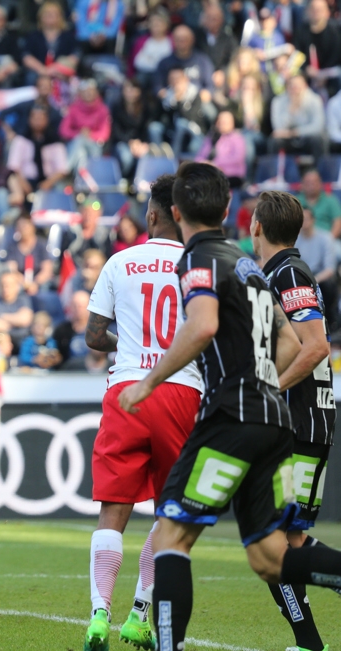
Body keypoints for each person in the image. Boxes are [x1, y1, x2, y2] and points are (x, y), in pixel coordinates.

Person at [117, 163, 341, 651]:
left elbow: (201, 326)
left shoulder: (200, 260)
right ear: (227, 212)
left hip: (234, 416)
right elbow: (287, 341)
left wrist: (148, 383)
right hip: (275, 421)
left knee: (170, 537)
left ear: (175, 212)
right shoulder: (247, 267)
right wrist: (262, 383)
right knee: (269, 557)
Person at [81, 173, 202, 651]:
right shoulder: (200, 265)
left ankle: (97, 617)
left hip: (127, 389)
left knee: (114, 511)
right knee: (170, 512)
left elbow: (93, 335)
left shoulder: (120, 261)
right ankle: (138, 615)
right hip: (180, 392)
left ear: (151, 215)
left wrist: (127, 346)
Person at [253, 191, 337, 651]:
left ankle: (310, 641)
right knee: (287, 539)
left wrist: (271, 389)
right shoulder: (278, 273)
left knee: (273, 542)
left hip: (300, 421)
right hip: (298, 421)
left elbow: (316, 345)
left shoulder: (287, 273)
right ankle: (308, 643)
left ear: (256, 228)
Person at [22, 1, 79, 84]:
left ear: (60, 16)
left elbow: (75, 56)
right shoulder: (34, 36)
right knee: (31, 77)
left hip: (61, 71)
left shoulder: (68, 35)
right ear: (40, 16)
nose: (49, 16)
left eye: (53, 13)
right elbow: (26, 57)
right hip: (39, 72)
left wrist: (56, 68)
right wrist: (43, 70)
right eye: (47, 13)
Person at [270, 75, 327, 159]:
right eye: (292, 86)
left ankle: (318, 170)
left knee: (318, 139)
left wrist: (295, 132)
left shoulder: (315, 100)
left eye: (297, 86)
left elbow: (318, 126)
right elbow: (278, 129)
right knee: (275, 141)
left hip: (306, 137)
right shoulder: (278, 101)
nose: (295, 90)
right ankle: (275, 170)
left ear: (305, 86)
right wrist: (291, 110)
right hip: (287, 140)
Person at [60, 78, 111, 171]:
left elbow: (104, 133)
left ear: (96, 93)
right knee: (80, 153)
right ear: (80, 93)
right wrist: (79, 133)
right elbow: (64, 130)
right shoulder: (73, 108)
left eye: (91, 91)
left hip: (95, 146)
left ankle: (64, 170)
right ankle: (80, 182)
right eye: (85, 91)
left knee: (80, 140)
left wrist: (89, 135)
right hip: (76, 144)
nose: (88, 93)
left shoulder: (103, 109)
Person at [153, 25, 214, 97]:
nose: (182, 42)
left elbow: (210, 85)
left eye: (185, 39)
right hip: (171, 101)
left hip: (197, 101)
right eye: (178, 39)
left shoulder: (202, 60)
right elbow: (157, 85)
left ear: (192, 40)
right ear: (173, 40)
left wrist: (206, 93)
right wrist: (163, 93)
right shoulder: (164, 63)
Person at [195, 110, 247, 186]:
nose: (222, 124)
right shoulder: (211, 137)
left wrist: (215, 164)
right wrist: (202, 162)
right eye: (220, 121)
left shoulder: (237, 138)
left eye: (225, 122)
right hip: (211, 172)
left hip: (231, 174)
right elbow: (201, 154)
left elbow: (237, 158)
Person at [296, 168, 341, 238]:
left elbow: (338, 223)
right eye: (308, 182)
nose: (311, 185)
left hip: (327, 240)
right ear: (302, 184)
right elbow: (290, 224)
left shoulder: (330, 200)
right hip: (301, 240)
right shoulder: (295, 201)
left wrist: (329, 241)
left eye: (314, 182)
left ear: (320, 183)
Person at [195, 2, 235, 72]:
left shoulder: (228, 39)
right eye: (210, 18)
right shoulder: (196, 37)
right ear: (204, 19)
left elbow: (232, 58)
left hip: (221, 76)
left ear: (221, 20)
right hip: (200, 73)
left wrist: (223, 71)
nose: (213, 21)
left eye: (216, 18)